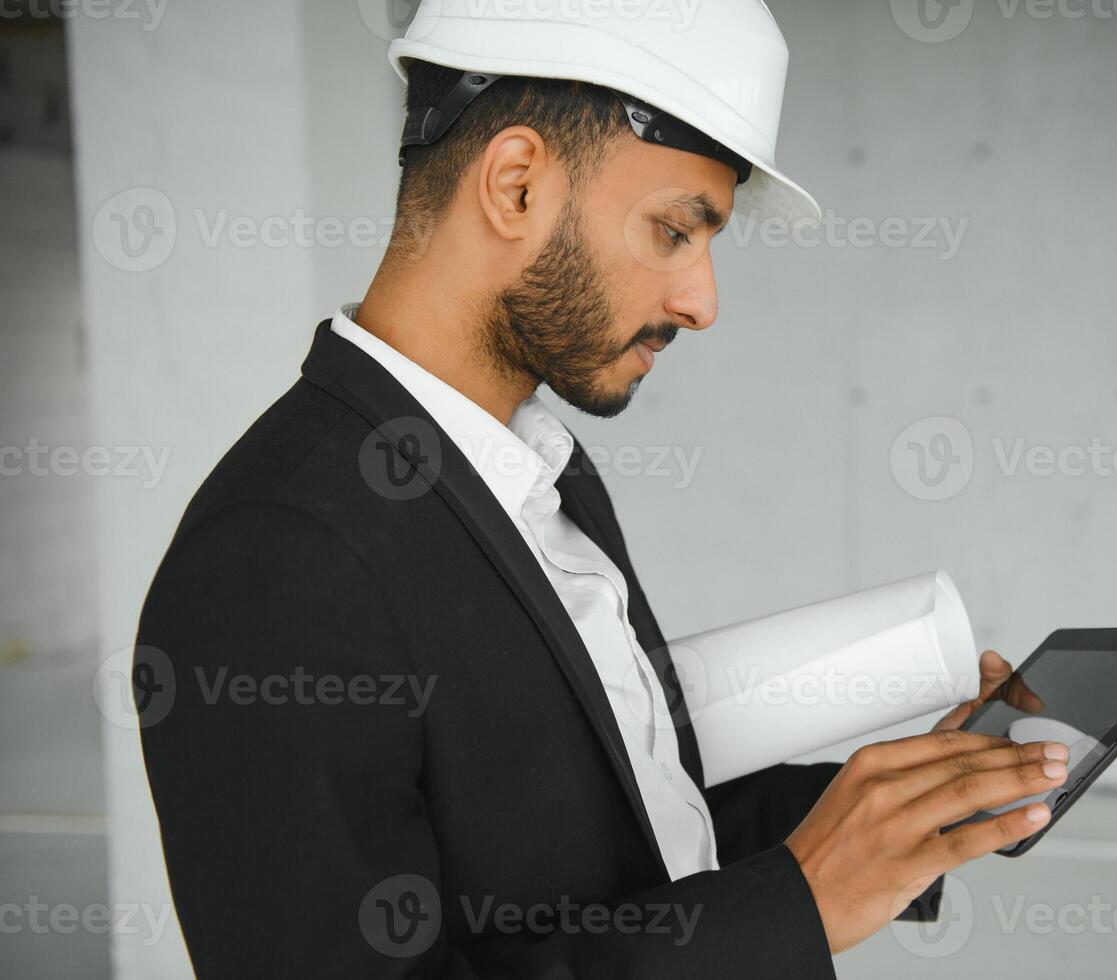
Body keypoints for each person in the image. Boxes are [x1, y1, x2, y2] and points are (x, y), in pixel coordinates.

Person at [134, 3, 1067, 976]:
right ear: (516, 183)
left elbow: (633, 824)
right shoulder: (277, 555)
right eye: (673, 230)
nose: (703, 302)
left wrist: (910, 807)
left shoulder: (540, 476)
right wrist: (794, 899)